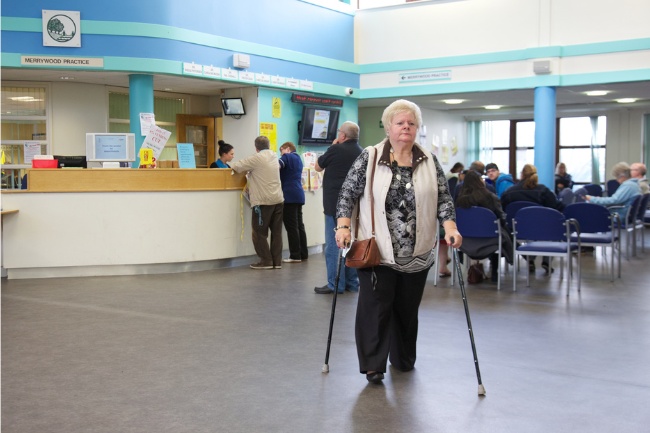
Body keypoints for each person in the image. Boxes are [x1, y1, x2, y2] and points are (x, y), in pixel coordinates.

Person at [334, 99, 461, 383]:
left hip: (417, 251)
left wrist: (450, 227)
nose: (406, 127)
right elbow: (346, 194)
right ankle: (373, 365)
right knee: (375, 307)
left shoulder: (428, 159)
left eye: (411, 123)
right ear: (388, 127)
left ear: (417, 128)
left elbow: (444, 199)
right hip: (377, 250)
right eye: (400, 122)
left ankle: (403, 358)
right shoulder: (370, 156)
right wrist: (343, 227)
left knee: (406, 309)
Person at [313, 121, 363, 294]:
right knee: (351, 243)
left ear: (342, 136)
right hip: (355, 207)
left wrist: (332, 146)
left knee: (335, 246)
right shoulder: (362, 152)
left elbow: (318, 166)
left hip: (334, 205)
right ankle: (351, 282)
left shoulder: (335, 149)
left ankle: (335, 285)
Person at [230, 136, 284, 270]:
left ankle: (266, 261)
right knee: (277, 233)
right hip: (278, 199)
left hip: (263, 201)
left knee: (259, 233)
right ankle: (276, 262)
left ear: (256, 147)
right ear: (269, 145)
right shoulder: (274, 155)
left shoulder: (256, 158)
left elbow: (236, 166)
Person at [500, 164, 564, 273]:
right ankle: (546, 261)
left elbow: (502, 210)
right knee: (556, 228)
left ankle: (529, 257)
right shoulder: (543, 191)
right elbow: (557, 208)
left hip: (517, 229)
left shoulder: (509, 192)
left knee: (508, 231)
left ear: (521, 175)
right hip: (542, 228)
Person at [455, 171, 513, 282]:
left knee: (494, 232)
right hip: (490, 242)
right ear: (480, 182)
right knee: (497, 232)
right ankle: (494, 272)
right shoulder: (491, 198)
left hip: (465, 241)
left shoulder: (460, 201)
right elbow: (501, 219)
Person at [278, 142, 308, 263]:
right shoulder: (299, 159)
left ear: (288, 149)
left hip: (288, 195)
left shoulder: (287, 156)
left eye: (282, 150)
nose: (281, 154)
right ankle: (303, 254)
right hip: (298, 194)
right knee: (299, 225)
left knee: (291, 226)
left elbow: (276, 166)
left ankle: (295, 255)